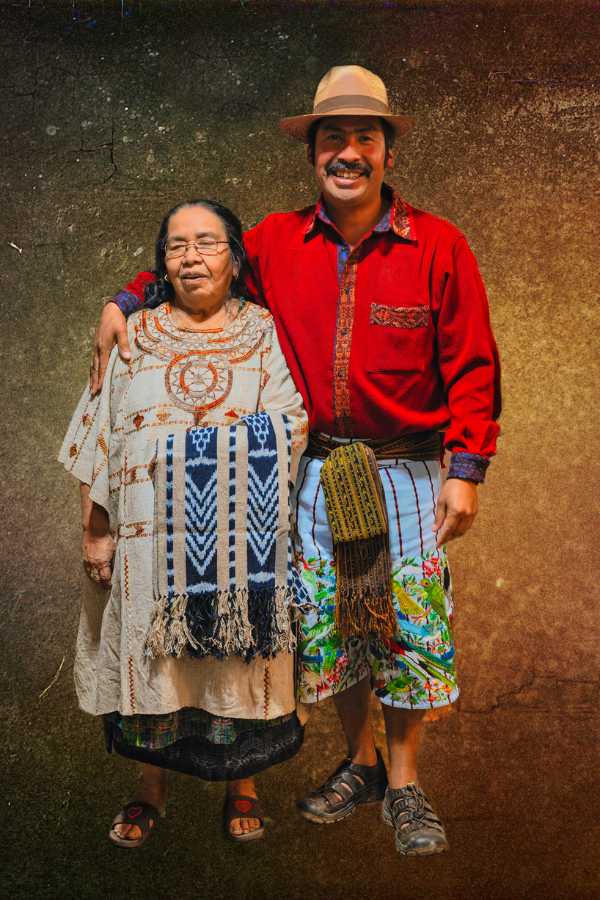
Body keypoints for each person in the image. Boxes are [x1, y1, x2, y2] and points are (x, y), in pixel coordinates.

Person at [90, 65, 501, 856]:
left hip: (408, 469)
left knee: (407, 627)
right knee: (333, 627)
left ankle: (408, 786)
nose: (349, 152)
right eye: (333, 139)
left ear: (386, 152)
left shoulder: (438, 245)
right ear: (313, 152)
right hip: (315, 473)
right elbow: (194, 261)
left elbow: (475, 365)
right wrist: (129, 296)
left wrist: (466, 469)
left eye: (365, 139)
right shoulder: (277, 241)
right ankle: (361, 763)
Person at [60, 199, 309, 847]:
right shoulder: (132, 333)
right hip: (147, 547)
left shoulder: (265, 331)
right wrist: (95, 525)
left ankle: (243, 788)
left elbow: (292, 425)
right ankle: (149, 790)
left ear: (235, 256)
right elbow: (101, 433)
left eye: (207, 243)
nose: (191, 257)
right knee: (151, 668)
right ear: (160, 263)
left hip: (239, 547)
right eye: (176, 246)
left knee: (235, 670)